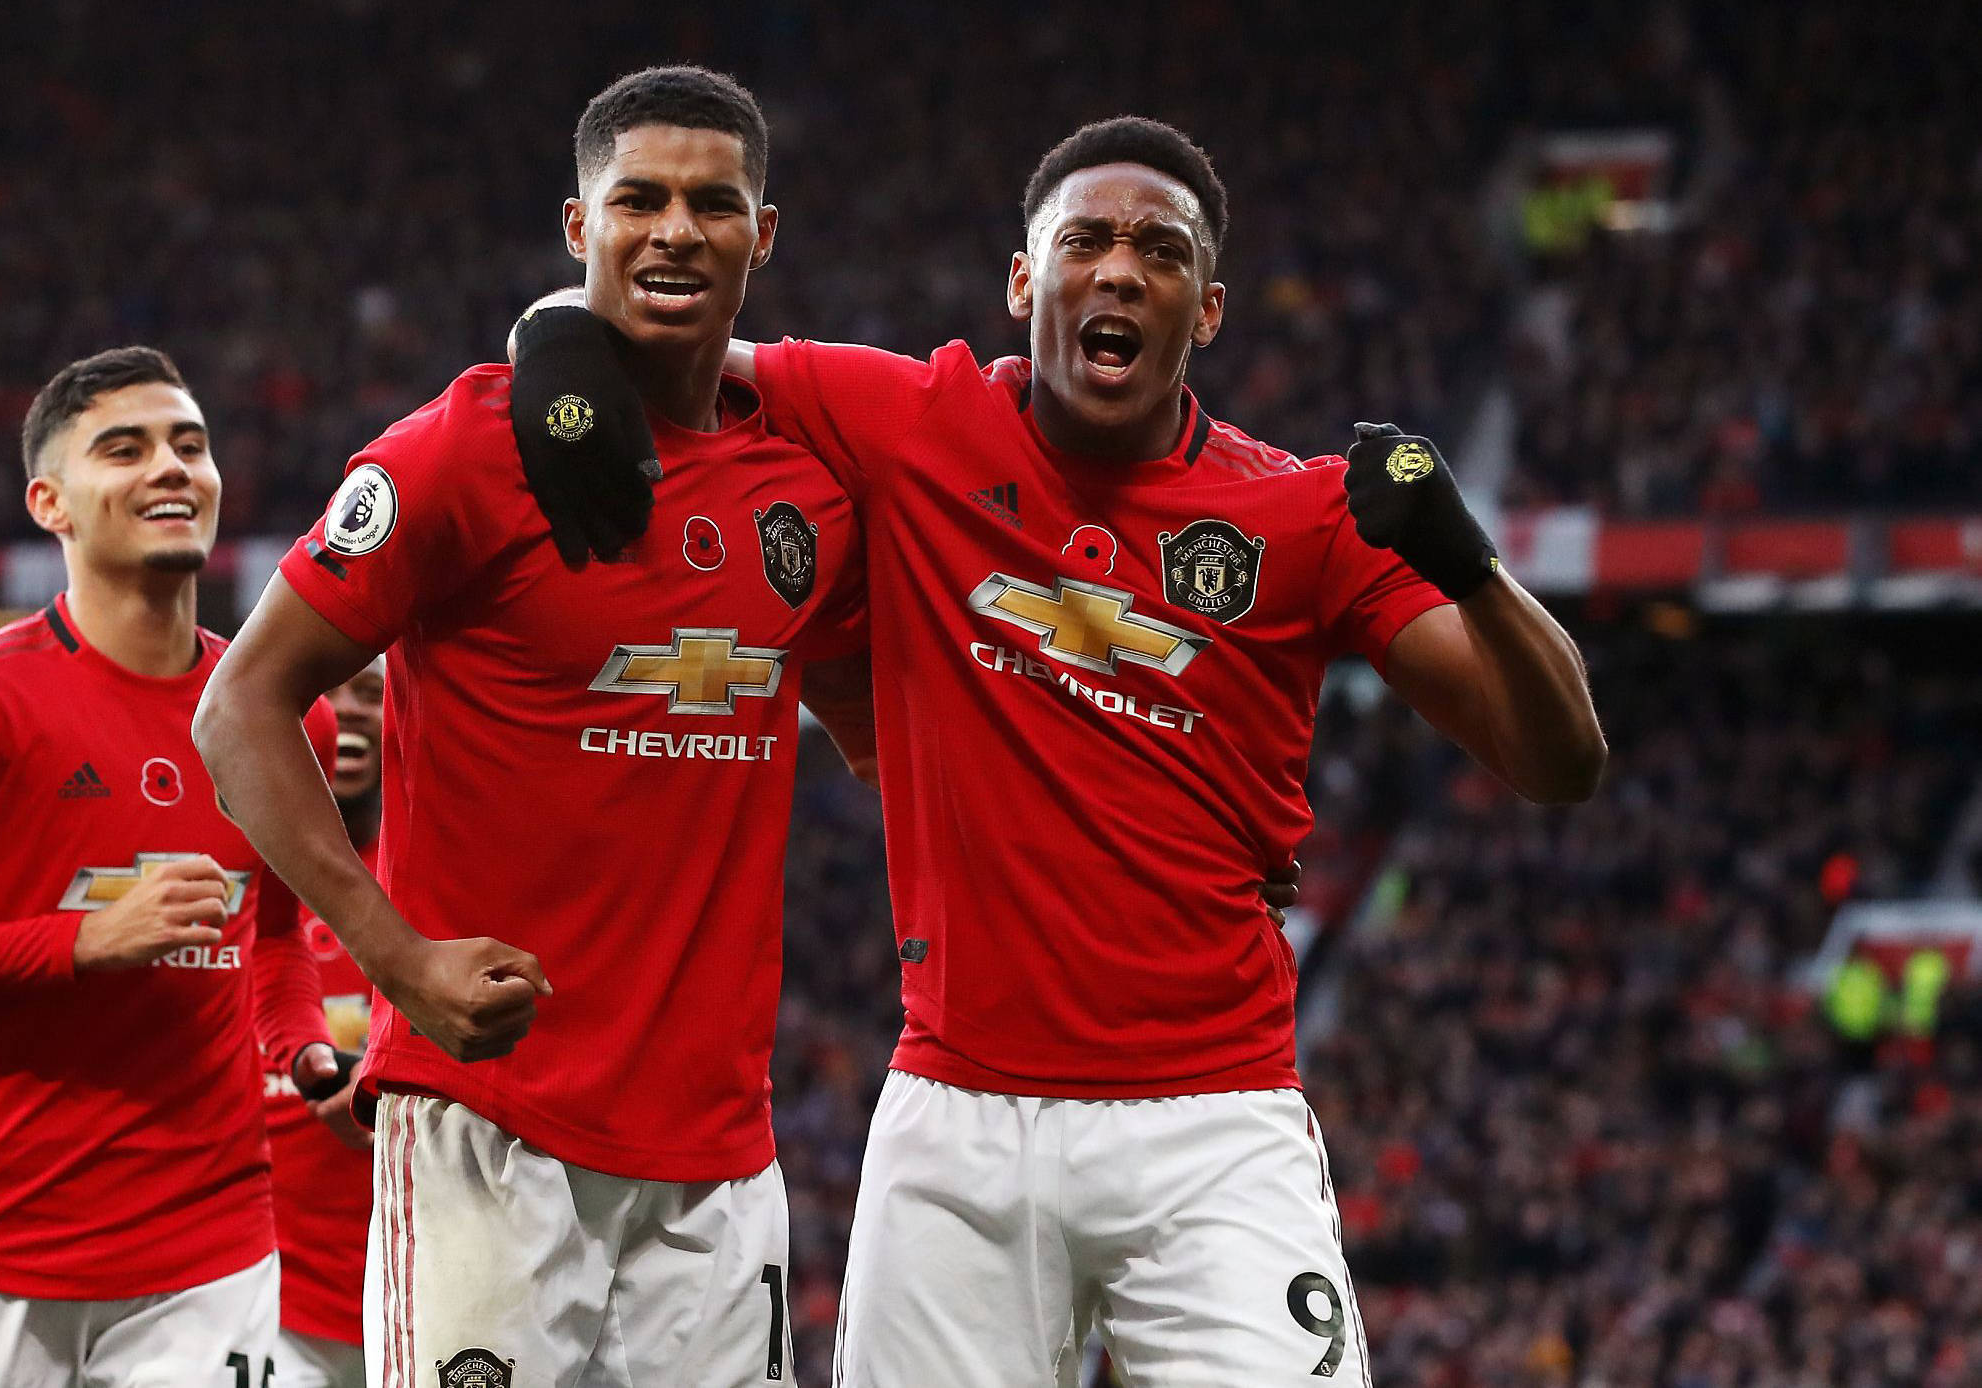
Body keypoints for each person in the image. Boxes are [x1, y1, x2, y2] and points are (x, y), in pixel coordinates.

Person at [509, 116, 1607, 1385]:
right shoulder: (914, 422)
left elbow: (1561, 759)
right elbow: (649, 315)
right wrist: (549, 337)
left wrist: (1470, 567)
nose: (1121, 269)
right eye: (1085, 240)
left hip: (1213, 1123)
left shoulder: (1301, 514)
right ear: (1024, 281)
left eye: (1161, 251)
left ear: (1206, 311)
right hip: (957, 1118)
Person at [193, 66, 873, 1388]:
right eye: (639, 200)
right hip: (487, 1125)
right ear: (578, 227)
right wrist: (396, 960)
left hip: (718, 1154)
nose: (675, 230)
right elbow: (238, 707)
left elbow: (880, 736)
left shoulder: (811, 491)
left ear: (764, 235)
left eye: (713, 204)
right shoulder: (458, 451)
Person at [0, 346, 345, 1387]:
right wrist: (84, 940)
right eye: (125, 448)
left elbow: (275, 938)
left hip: (212, 1246)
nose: (171, 467)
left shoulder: (285, 718)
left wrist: (304, 1053)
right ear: (49, 503)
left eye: (189, 445)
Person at [266, 657, 387, 1388]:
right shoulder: (227, 871)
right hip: (265, 1295)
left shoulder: (451, 872)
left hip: (426, 1278)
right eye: (321, 692)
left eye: (370, 692)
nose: (345, 713)